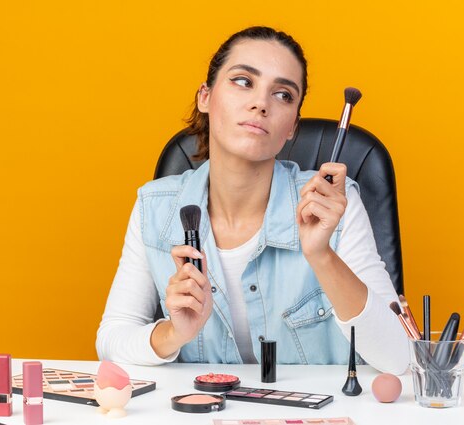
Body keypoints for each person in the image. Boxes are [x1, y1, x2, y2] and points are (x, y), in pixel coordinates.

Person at [96, 26, 409, 374]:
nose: (261, 103)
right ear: (205, 96)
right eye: (243, 81)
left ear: (292, 126)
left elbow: (400, 357)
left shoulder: (336, 204)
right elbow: (111, 339)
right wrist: (173, 332)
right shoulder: (154, 208)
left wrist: (322, 255)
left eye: (283, 95)